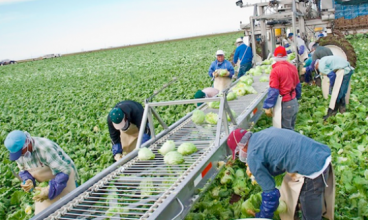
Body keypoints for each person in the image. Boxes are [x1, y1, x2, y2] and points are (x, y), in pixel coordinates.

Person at [227, 127, 335, 219]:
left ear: (241, 146)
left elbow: (271, 194)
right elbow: (279, 159)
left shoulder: (253, 156)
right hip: (320, 154)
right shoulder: (265, 133)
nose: (240, 155)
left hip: (312, 169)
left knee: (310, 212)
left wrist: (263, 216)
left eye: (237, 153)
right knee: (313, 199)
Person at [4, 130, 79, 214]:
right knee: (43, 214)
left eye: (21, 152)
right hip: (44, 186)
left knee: (72, 208)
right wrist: (28, 181)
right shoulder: (19, 155)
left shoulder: (45, 148)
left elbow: (65, 171)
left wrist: (50, 190)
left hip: (64, 178)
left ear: (27, 143)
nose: (20, 156)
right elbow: (24, 171)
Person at [263, 46, 301, 130]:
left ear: (275, 57)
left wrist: (268, 106)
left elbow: (274, 91)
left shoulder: (275, 71)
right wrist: (296, 98)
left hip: (285, 103)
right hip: (293, 102)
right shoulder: (292, 67)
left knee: (285, 131)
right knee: (291, 128)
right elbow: (298, 85)